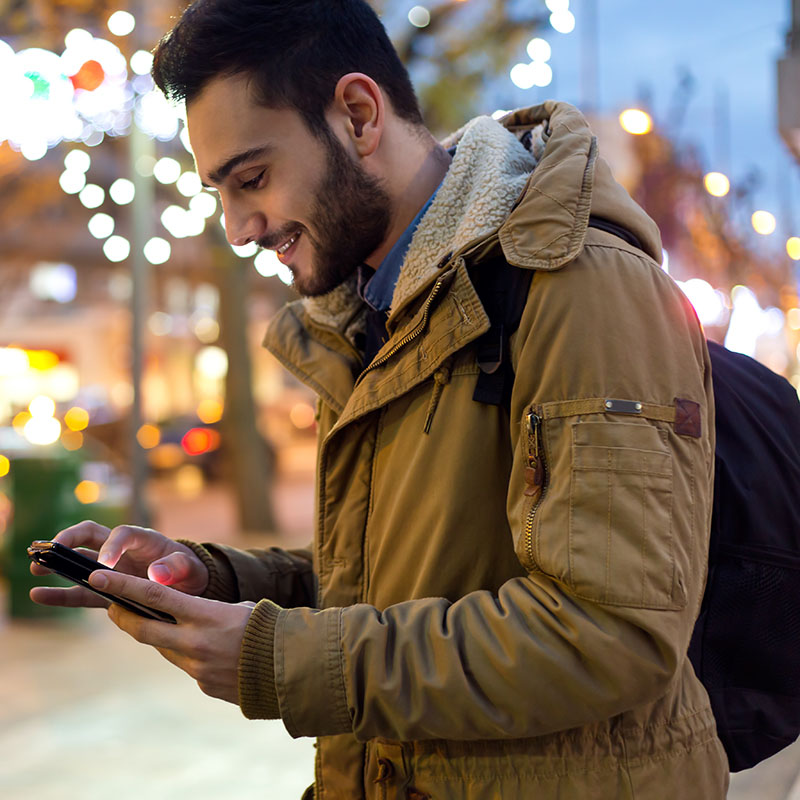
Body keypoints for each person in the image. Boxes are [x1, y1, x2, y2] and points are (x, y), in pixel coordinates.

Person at [31, 0, 730, 797]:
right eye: (220, 191)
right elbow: (390, 584)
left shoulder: (581, 285)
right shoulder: (365, 316)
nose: (238, 228)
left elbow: (612, 635)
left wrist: (275, 662)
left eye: (252, 179)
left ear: (359, 114)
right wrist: (217, 580)